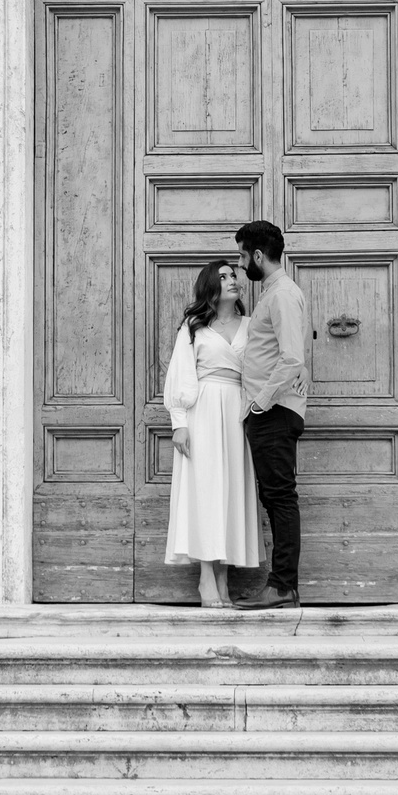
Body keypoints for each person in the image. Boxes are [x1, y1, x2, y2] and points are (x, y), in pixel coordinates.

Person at [161, 259, 264, 608]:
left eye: (233, 275)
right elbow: (180, 373)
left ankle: (224, 576)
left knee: (231, 491)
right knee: (205, 492)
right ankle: (207, 577)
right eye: (223, 276)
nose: (232, 279)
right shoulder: (193, 327)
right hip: (202, 411)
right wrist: (179, 424)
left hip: (239, 411)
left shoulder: (252, 325)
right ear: (210, 286)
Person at [233, 218, 307, 609]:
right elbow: (291, 350)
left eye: (243, 255)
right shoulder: (276, 293)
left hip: (273, 411)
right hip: (273, 408)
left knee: (279, 498)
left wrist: (260, 401)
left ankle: (282, 586)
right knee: (275, 497)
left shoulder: (281, 294)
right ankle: (282, 584)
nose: (241, 262)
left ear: (258, 255)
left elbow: (292, 356)